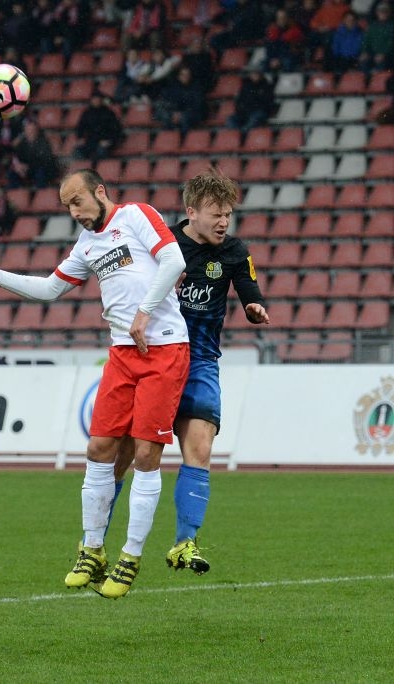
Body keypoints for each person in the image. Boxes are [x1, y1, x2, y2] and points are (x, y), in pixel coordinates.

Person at [0, 169, 190, 599]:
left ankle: (130, 556)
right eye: (68, 206)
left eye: (78, 202)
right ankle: (92, 549)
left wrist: (144, 311)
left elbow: (174, 260)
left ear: (100, 192)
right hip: (123, 354)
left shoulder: (136, 215)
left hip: (164, 349)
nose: (75, 212)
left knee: (146, 452)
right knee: (98, 448)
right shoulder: (88, 245)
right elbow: (51, 289)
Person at [110, 170, 271, 575]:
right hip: (157, 359)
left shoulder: (234, 251)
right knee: (125, 454)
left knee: (199, 449)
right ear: (191, 212)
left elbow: (250, 291)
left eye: (228, 215)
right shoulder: (162, 245)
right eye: (216, 214)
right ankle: (95, 541)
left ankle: (185, 542)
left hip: (200, 361)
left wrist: (254, 308)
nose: (223, 223)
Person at [73, 90, 124, 163]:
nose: (96, 101)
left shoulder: (108, 113)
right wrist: (80, 138)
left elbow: (116, 129)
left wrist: (109, 141)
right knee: (77, 151)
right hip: (90, 142)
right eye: (94, 99)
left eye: (98, 99)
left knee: (100, 152)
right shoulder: (87, 113)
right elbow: (80, 128)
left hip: (105, 142)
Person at [226, 67, 276, 133]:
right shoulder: (246, 86)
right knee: (230, 119)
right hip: (245, 112)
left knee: (254, 118)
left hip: (258, 112)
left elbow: (268, 103)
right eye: (253, 74)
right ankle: (236, 136)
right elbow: (239, 101)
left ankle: (243, 134)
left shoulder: (266, 87)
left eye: (256, 74)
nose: (254, 76)